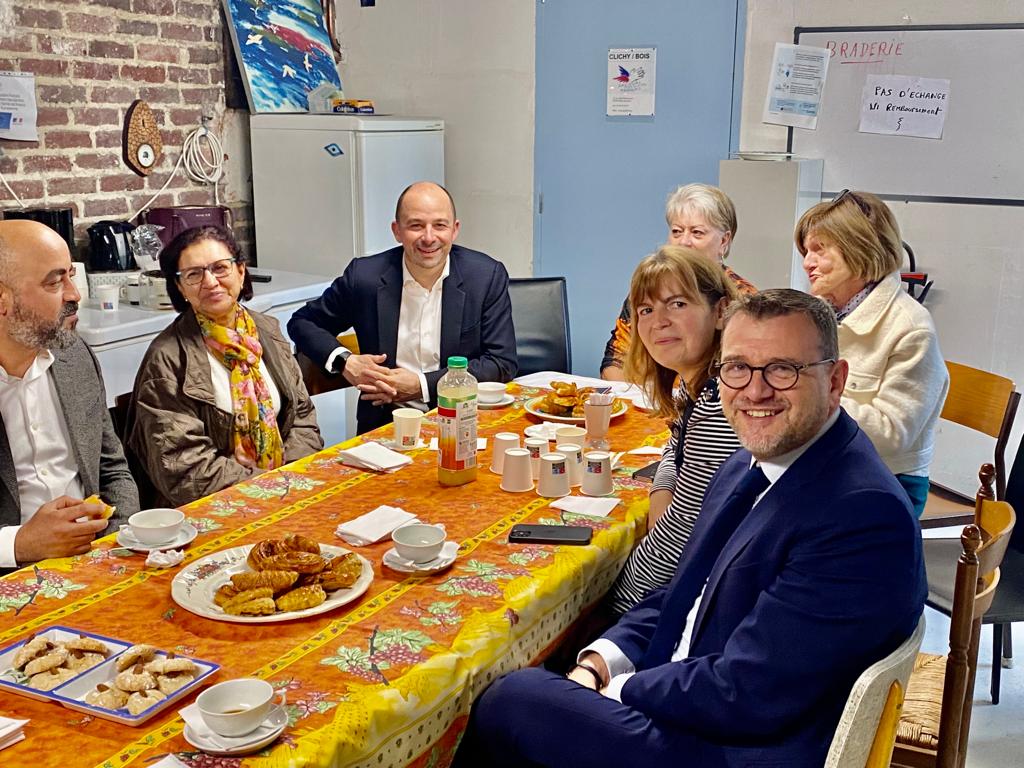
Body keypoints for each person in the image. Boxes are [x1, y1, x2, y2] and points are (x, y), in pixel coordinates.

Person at [455, 289, 926, 768]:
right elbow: (685, 592)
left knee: (510, 700)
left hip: (740, 746)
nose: (755, 391)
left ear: (835, 380)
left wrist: (618, 689)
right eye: (737, 367)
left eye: (783, 369)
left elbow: (749, 691)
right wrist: (600, 660)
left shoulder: (861, 515)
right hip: (701, 696)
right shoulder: (748, 463)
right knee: (541, 669)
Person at [288, 181, 518, 434]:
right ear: (397, 231)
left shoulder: (484, 277)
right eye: (416, 225)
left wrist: (422, 385)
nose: (429, 238)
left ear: (454, 230)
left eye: (439, 225)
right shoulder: (365, 277)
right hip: (384, 425)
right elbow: (302, 322)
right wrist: (346, 362)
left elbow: (501, 363)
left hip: (464, 423)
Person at [125, 226, 322, 507]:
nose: (210, 282)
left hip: (287, 489)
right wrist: (264, 489)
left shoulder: (267, 331)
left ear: (241, 272)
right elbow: (184, 470)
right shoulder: (166, 358)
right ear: (179, 288)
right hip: (213, 510)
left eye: (220, 268)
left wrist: (286, 481)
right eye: (194, 274)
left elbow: (302, 418)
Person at [606, 245, 741, 615]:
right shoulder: (702, 383)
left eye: (678, 304)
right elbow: (674, 448)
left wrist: (610, 610)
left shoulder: (722, 405)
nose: (658, 321)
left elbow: (679, 542)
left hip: (701, 611)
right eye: (646, 310)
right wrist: (663, 495)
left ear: (720, 311)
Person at [796, 189, 948, 515]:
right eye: (806, 250)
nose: (808, 262)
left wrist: (806, 395)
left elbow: (891, 436)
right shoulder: (820, 311)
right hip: (825, 465)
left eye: (820, 250)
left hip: (885, 483)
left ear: (859, 248)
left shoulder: (910, 328)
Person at [0, 220, 138, 570]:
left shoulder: (74, 356)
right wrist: (20, 543)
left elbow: (113, 470)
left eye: (71, 276)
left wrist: (114, 546)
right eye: (54, 281)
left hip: (97, 558)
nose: (74, 294)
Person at [600, 183, 755, 381]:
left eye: (697, 232)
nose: (684, 242)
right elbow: (615, 360)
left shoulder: (743, 299)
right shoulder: (651, 288)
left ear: (724, 241)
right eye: (677, 231)